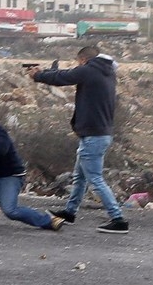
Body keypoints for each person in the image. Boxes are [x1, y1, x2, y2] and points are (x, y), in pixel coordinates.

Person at [27, 46, 128, 233]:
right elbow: (67, 74)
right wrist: (47, 72)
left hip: (93, 135)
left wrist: (39, 75)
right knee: (80, 177)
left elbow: (64, 77)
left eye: (78, 61)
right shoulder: (106, 72)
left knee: (95, 179)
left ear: (83, 59)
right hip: (99, 133)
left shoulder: (89, 70)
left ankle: (118, 219)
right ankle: (70, 212)